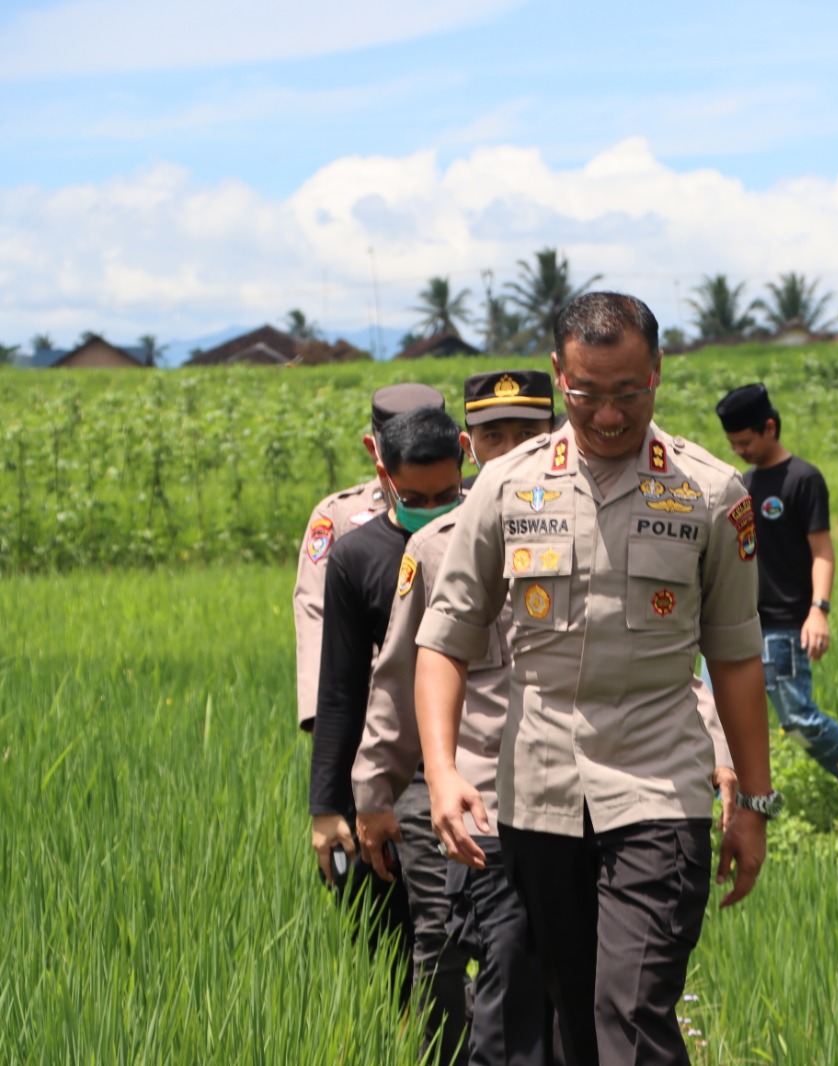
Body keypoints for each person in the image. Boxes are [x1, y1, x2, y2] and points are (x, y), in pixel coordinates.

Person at [413, 292, 775, 1066]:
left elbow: (736, 656)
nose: (609, 416)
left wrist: (754, 801)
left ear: (658, 372)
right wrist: (441, 773)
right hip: (537, 796)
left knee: (631, 1012)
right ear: (559, 375)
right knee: (570, 1018)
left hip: (659, 788)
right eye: (586, 394)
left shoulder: (711, 494)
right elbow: (444, 640)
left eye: (628, 393)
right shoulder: (506, 487)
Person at [353, 371, 553, 1065]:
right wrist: (373, 793)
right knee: (502, 968)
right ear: (470, 446)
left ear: (555, 436)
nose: (511, 450)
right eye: (495, 436)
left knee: (579, 983)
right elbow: (397, 677)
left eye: (528, 434)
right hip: (483, 803)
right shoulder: (435, 546)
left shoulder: (595, 535)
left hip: (585, 801)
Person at [309, 405, 467, 1031]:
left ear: (464, 459)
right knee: (434, 934)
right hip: (409, 774)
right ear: (383, 474)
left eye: (446, 495)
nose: (431, 509)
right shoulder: (357, 556)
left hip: (493, 759)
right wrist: (329, 806)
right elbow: (342, 688)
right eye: (414, 498)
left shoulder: (490, 532)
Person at [714, 383, 838, 818]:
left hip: (785, 625)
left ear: (769, 427)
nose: (739, 451)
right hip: (739, 624)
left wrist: (818, 611)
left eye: (745, 442)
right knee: (712, 720)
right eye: (733, 444)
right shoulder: (743, 484)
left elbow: (822, 551)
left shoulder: (803, 479)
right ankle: (726, 814)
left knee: (798, 720)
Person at [293, 383, 446, 732]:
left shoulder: (468, 505)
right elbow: (315, 609)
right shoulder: (339, 516)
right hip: (372, 703)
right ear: (372, 447)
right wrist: (322, 714)